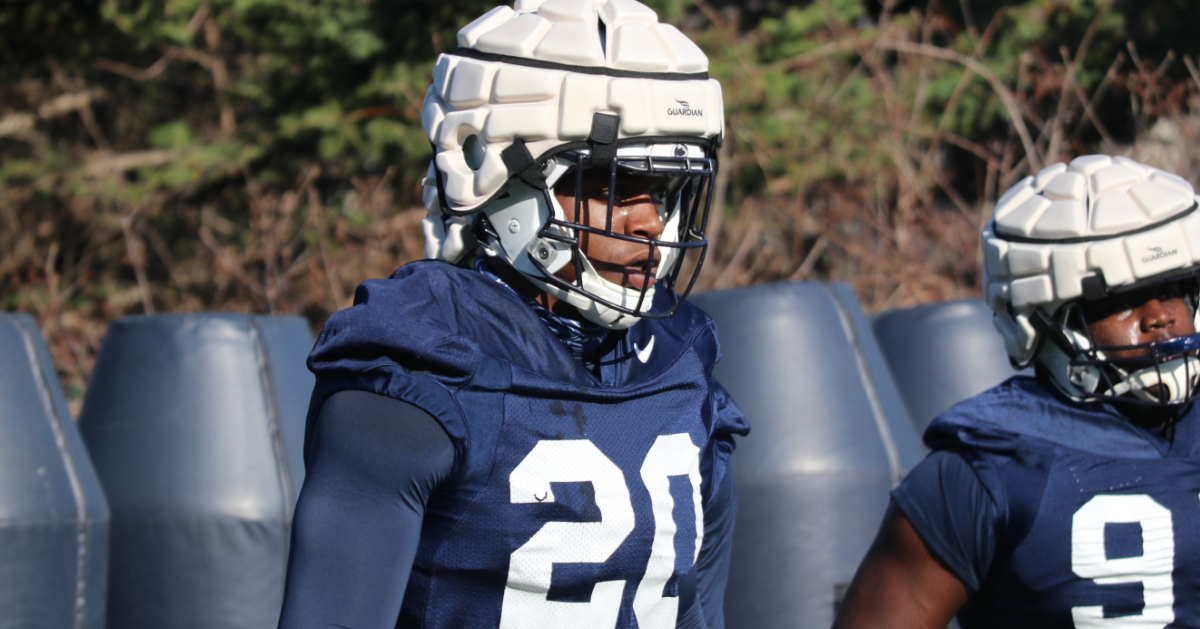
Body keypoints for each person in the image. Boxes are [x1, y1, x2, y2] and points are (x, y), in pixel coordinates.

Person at [276, 2, 748, 628]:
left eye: (665, 190)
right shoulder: (419, 369)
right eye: (613, 184)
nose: (649, 222)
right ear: (499, 179)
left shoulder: (679, 365)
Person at [833, 155, 1200, 629]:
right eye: (1122, 301)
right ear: (1042, 320)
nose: (1161, 318)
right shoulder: (982, 470)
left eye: (1174, 290)